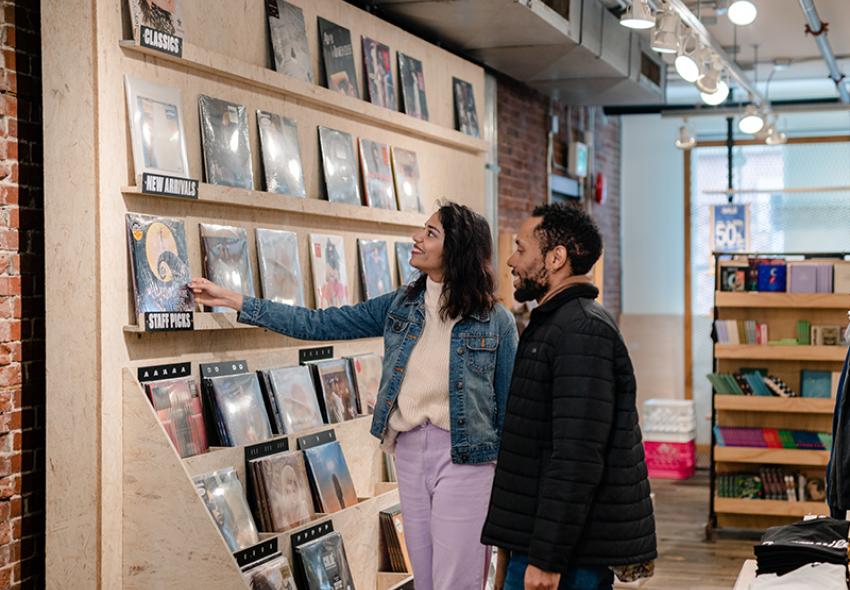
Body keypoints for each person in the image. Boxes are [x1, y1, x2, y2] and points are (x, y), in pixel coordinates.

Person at [190, 201, 518, 590]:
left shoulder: (495, 322)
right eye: (422, 229)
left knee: (457, 582)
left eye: (431, 234)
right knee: (426, 579)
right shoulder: (401, 305)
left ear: (458, 250)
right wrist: (239, 302)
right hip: (411, 452)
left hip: (467, 459)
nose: (417, 238)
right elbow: (321, 322)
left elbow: (512, 409)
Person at [481, 203, 656, 590]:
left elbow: (577, 456)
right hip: (542, 544)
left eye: (521, 248)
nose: (511, 260)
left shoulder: (580, 331)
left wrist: (546, 557)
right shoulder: (555, 324)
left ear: (556, 257)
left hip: (565, 557)